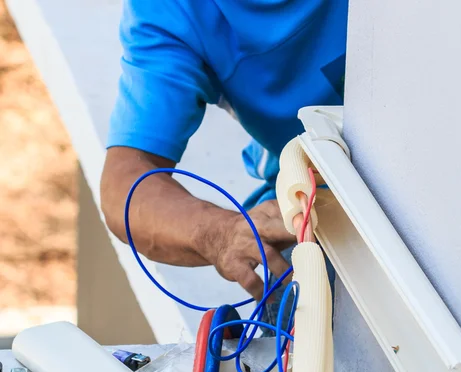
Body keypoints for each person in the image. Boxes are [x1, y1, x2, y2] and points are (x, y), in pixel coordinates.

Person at [100, 1, 348, 308]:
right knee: (301, 294)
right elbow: (125, 184)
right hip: (322, 199)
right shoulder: (171, 11)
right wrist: (221, 233)